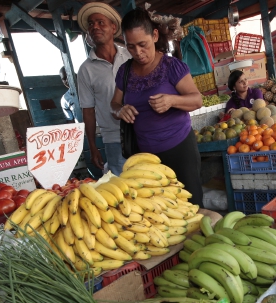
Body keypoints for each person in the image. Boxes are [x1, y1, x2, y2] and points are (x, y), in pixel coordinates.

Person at [111, 8, 204, 207]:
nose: (138, 52)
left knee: (192, 206)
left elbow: (197, 100)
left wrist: (172, 100)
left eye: (142, 45)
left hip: (180, 150)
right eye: (131, 46)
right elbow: (114, 104)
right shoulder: (124, 71)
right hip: (145, 158)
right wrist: (120, 111)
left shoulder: (171, 66)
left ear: (154, 36)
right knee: (158, 212)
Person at [77, 2, 132, 175]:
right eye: (91, 24)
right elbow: (88, 111)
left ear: (113, 27)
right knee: (122, 190)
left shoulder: (130, 55)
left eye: (101, 22)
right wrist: (93, 147)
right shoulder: (86, 69)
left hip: (143, 132)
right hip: (113, 139)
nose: (95, 27)